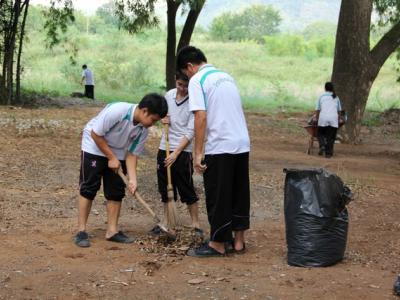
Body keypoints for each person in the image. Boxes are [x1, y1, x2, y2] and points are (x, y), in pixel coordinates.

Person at [176, 46, 251, 257]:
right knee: (239, 191)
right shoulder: (227, 76)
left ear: (190, 66)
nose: (186, 76)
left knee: (218, 193)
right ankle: (238, 242)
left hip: (221, 144)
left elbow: (200, 116)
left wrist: (197, 153)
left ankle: (217, 243)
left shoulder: (198, 80)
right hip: (241, 142)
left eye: (185, 72)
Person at [75, 93, 168, 248]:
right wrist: (111, 157)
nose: (153, 124)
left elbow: (132, 155)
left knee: (116, 190)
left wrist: (133, 179)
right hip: (94, 145)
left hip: (118, 150)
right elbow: (96, 134)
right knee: (89, 187)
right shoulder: (118, 111)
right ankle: (81, 231)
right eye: (153, 120)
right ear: (144, 111)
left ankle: (112, 231)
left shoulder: (142, 130)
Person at [150, 72, 203, 237]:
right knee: (165, 187)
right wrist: (163, 119)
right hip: (164, 147)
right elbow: (160, 114)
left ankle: (195, 223)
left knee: (186, 186)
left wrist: (177, 153)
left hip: (182, 150)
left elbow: (190, 131)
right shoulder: (169, 95)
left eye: (185, 86)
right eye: (180, 84)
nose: (182, 89)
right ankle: (168, 221)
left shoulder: (194, 101)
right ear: (176, 81)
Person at [315, 82, 343, 158]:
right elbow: (339, 111)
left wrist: (316, 119)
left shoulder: (321, 96)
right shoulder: (336, 97)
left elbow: (318, 109)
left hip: (323, 118)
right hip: (333, 119)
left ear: (325, 88)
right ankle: (328, 154)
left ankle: (322, 145)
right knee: (331, 137)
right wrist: (339, 119)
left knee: (319, 133)